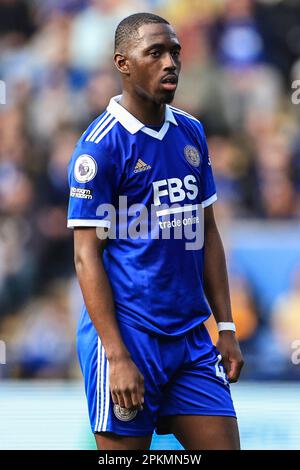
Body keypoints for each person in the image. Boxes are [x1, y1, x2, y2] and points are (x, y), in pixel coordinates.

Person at [67, 12, 244, 450]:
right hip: (131, 336)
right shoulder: (100, 147)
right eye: (156, 53)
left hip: (189, 340)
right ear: (123, 63)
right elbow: (86, 255)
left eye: (175, 52)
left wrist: (225, 326)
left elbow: (206, 231)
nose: (171, 62)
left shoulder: (191, 131)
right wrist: (117, 354)